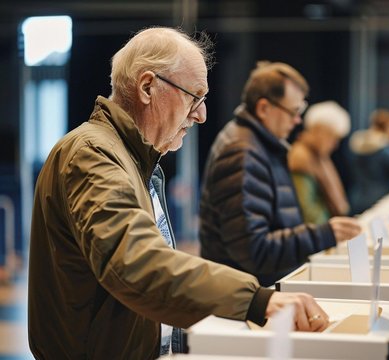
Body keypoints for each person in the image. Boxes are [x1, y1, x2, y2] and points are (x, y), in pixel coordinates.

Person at [28, 28, 332, 360]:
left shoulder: (136, 160)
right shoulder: (91, 155)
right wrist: (255, 300)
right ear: (147, 87)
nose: (201, 114)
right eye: (194, 96)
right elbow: (136, 264)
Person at [199, 61, 361, 287]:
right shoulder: (242, 152)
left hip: (262, 289)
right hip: (247, 297)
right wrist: (323, 234)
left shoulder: (260, 145)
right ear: (264, 108)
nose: (298, 121)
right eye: (293, 112)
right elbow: (254, 250)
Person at [288, 101, 351, 224]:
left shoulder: (318, 156)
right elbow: (306, 209)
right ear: (321, 132)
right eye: (334, 137)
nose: (335, 144)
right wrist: (330, 230)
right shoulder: (301, 157)